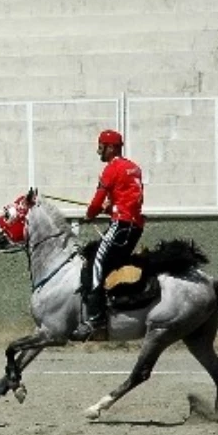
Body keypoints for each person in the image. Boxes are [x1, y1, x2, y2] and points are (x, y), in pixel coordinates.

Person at [71, 129, 145, 342]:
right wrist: (110, 207)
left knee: (96, 263)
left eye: (101, 147)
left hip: (121, 225)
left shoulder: (111, 169)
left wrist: (90, 214)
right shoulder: (133, 168)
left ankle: (95, 319)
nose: (99, 151)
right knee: (112, 264)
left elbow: (96, 201)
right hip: (134, 225)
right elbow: (128, 198)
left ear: (110, 147)